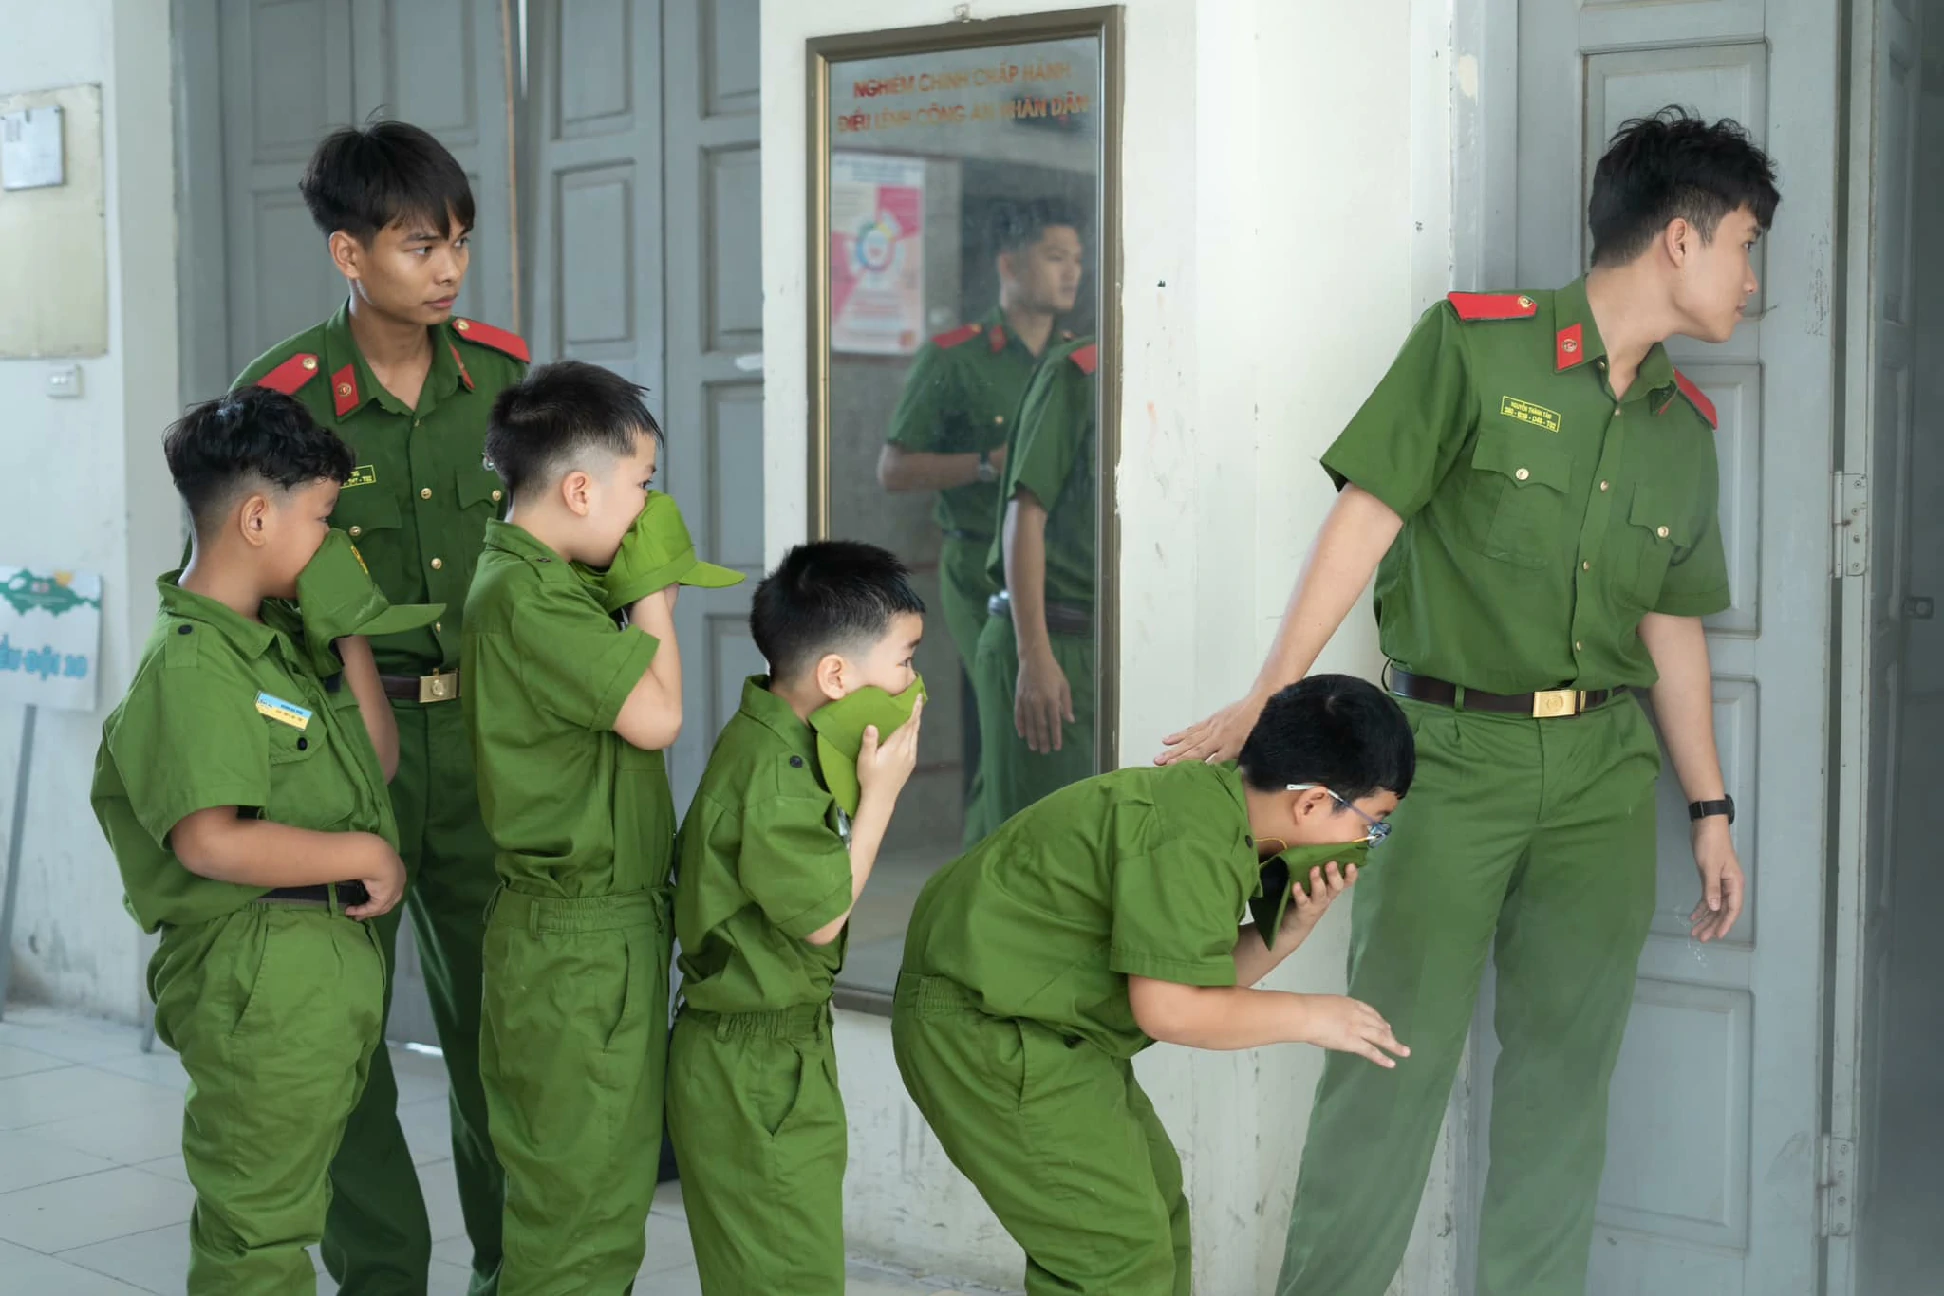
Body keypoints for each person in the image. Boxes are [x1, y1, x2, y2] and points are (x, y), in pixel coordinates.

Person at [1157, 108, 1775, 1296]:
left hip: (1600, 779)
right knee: (1387, 1058)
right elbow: (1365, 517)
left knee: (1564, 1087)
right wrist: (1270, 695)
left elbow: (1671, 623)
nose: (1754, 281)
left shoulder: (1681, 430)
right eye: (1746, 246)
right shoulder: (1473, 347)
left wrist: (1710, 808)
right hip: (1441, 765)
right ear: (1681, 240)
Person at [233, 119, 528, 1294]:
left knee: (501, 1036)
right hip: (348, 753)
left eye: (460, 242)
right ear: (349, 253)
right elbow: (242, 601)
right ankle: (383, 1277)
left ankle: (512, 1272)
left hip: (491, 746)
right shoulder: (283, 399)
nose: (449, 269)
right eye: (420, 245)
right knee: (347, 1041)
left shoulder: (503, 380)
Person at [894, 675, 1414, 1296]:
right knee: (1115, 1254)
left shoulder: (1218, 819)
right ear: (1313, 804)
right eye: (1373, 825)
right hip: (986, 1031)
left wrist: (1291, 929)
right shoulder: (1189, 837)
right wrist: (1313, 1017)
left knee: (1158, 1217)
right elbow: (1170, 1010)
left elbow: (1195, 985)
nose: (1366, 846)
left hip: (1055, 1033)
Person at [91, 388, 442, 1292]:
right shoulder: (195, 661)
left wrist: (346, 624)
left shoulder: (279, 639)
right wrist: (365, 855)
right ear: (256, 517)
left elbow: (378, 758)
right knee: (258, 1237)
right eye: (321, 520)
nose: (331, 541)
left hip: (315, 967)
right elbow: (210, 841)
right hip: (258, 970)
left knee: (290, 1209)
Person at [464, 359, 736, 1290]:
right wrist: (652, 590)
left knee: (595, 1202)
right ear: (580, 490)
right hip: (576, 942)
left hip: (599, 932)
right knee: (579, 1222)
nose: (645, 507)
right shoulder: (527, 594)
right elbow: (658, 717)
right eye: (641, 486)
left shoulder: (551, 582)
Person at [666, 540, 927, 1294]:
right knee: (784, 1275)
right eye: (905, 661)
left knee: (789, 1264)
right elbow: (821, 916)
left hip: (774, 1050)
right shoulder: (774, 776)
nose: (915, 684)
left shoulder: (789, 740)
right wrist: (881, 798)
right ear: (837, 677)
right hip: (752, 1063)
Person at [879, 199, 1085, 821]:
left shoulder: (1076, 361)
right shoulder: (956, 357)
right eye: (1055, 257)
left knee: (1028, 737)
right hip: (978, 565)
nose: (1071, 272)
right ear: (1009, 265)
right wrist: (988, 465)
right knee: (1010, 718)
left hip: (1061, 571)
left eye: (1078, 260)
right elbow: (893, 469)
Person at [966, 335, 1098, 839]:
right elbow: (1026, 511)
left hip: (1109, 642)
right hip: (1052, 639)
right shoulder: (1079, 372)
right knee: (1036, 845)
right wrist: (1034, 655)